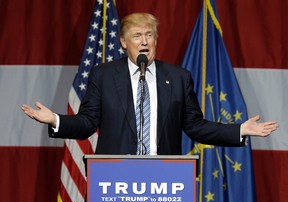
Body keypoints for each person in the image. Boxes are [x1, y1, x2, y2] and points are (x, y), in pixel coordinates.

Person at [21, 13, 278, 155]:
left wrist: (239, 130)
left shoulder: (178, 78)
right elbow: (88, 122)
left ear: (155, 39)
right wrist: (56, 119)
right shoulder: (104, 75)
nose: (144, 41)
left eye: (149, 35)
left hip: (165, 183)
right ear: (123, 42)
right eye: (137, 35)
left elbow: (195, 127)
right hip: (115, 182)